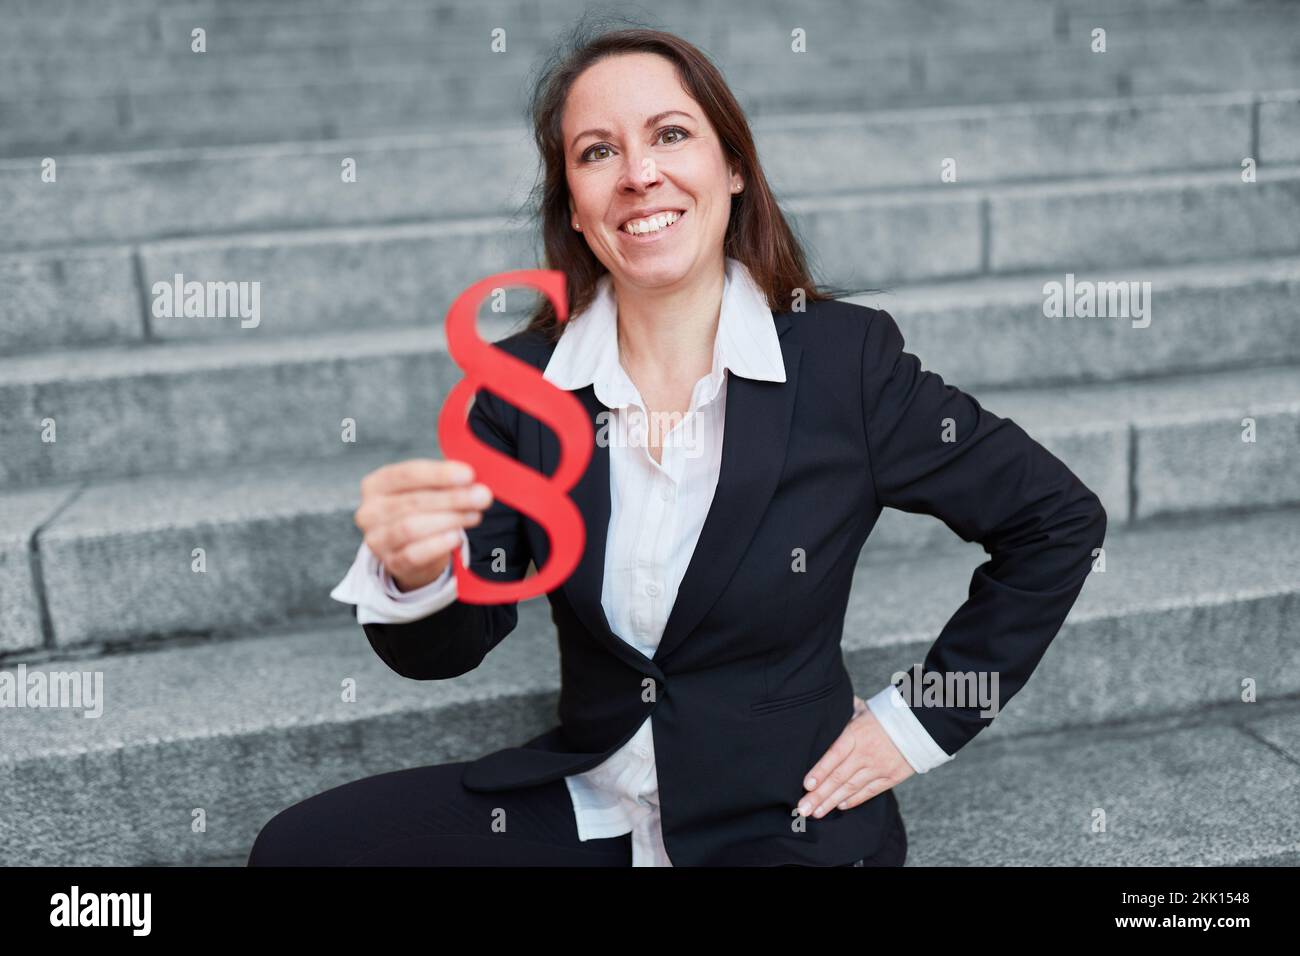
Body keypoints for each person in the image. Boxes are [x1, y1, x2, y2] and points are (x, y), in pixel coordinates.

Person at [247, 25, 1105, 867]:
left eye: (669, 134)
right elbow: (448, 650)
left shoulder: (843, 361)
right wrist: (416, 574)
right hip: (596, 800)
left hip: (786, 819)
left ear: (733, 169)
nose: (639, 174)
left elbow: (1057, 521)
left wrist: (917, 725)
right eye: (596, 153)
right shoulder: (522, 388)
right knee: (300, 852)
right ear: (576, 212)